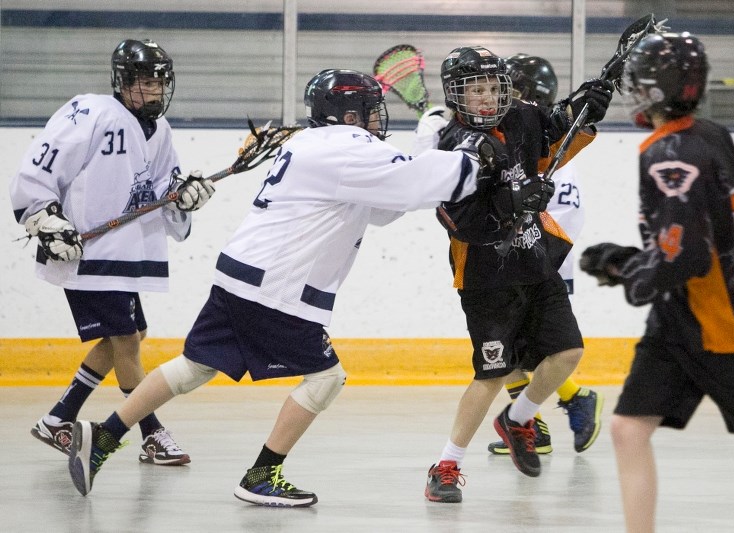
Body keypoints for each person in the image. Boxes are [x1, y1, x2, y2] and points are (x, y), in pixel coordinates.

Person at [66, 68, 492, 506]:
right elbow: (415, 186)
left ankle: (102, 437)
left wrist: (431, 151)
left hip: (240, 273)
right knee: (326, 379)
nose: (375, 120)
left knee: (194, 366)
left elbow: (387, 205)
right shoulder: (349, 147)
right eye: (369, 111)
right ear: (349, 115)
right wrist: (472, 155)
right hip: (277, 288)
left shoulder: (313, 143)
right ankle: (261, 475)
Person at [579, 32, 734, 532]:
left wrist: (631, 271)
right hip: (677, 321)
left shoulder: (665, 156)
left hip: (722, 329)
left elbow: (687, 255)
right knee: (628, 428)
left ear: (653, 89)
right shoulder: (711, 134)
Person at [10, 39, 216, 466]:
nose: (152, 92)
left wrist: (181, 196)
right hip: (85, 251)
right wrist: (42, 216)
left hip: (123, 255)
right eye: (142, 83)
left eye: (158, 83)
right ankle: (150, 433)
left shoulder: (161, 130)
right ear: (122, 82)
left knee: (131, 336)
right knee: (126, 340)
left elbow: (160, 188)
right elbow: (41, 164)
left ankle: (58, 418)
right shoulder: (90, 111)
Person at [423, 45, 613, 503]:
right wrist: (508, 205)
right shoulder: (452, 146)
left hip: (535, 263)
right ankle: (446, 465)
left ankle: (518, 419)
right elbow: (455, 219)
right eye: (476, 91)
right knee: (492, 374)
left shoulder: (524, 116)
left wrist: (585, 111)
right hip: (486, 276)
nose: (488, 98)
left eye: (494, 88)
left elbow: (554, 134)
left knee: (567, 353)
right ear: (457, 96)